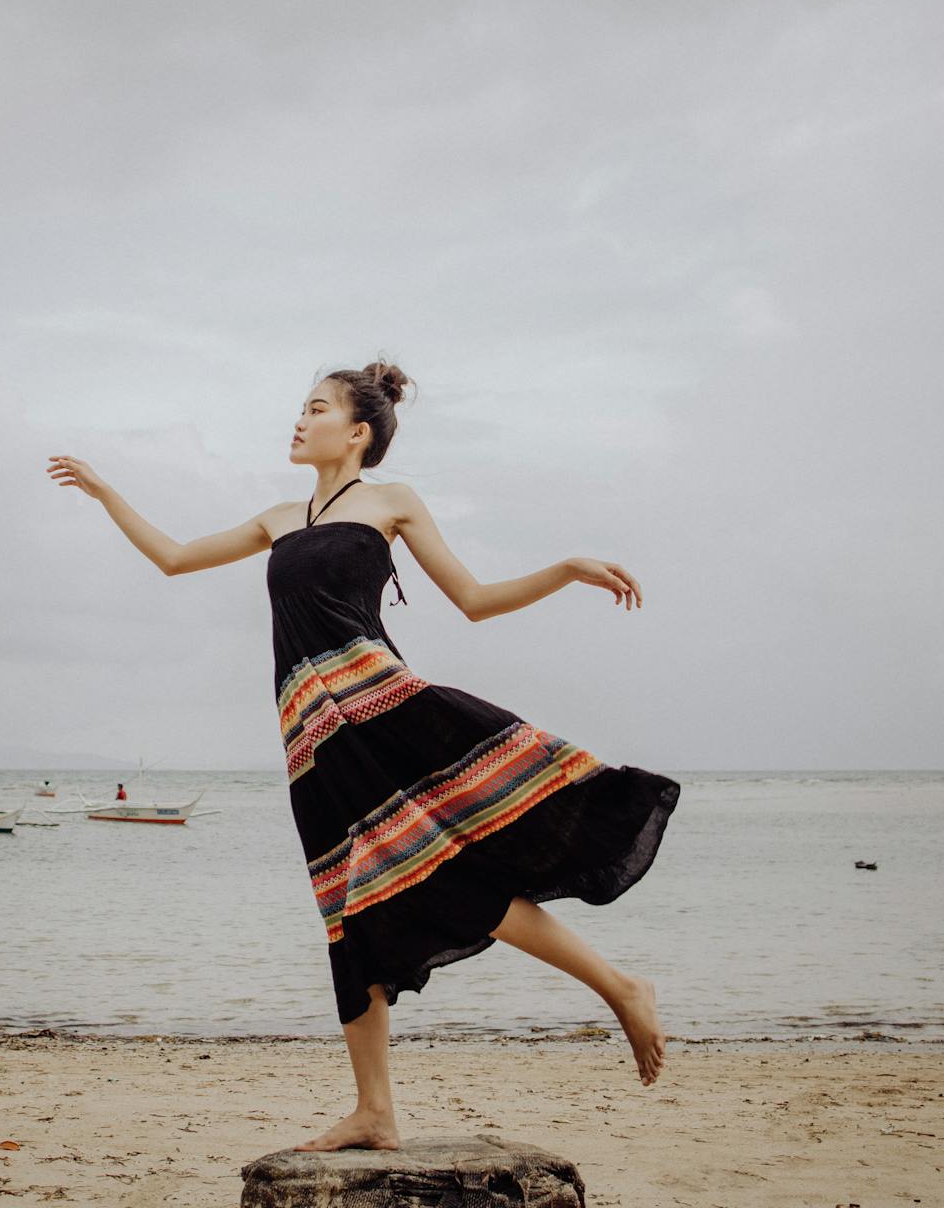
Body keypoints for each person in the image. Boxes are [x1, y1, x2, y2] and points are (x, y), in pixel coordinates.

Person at [47, 362, 678, 1152]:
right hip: (313, 741)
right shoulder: (280, 518)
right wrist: (105, 492)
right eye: (300, 409)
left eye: (314, 409)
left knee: (452, 879)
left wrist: (565, 569)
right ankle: (374, 1109)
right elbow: (174, 557)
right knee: (349, 910)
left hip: (383, 710)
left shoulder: (391, 502)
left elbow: (475, 600)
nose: (298, 420)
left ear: (357, 432)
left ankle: (620, 987)